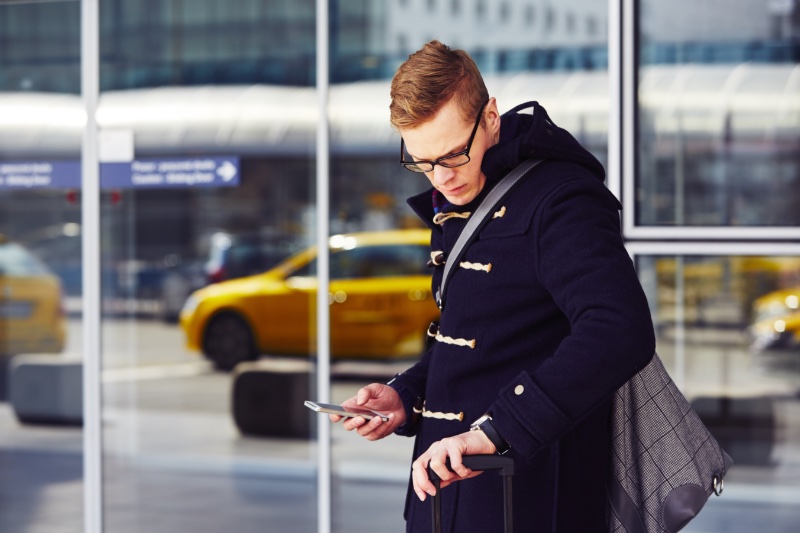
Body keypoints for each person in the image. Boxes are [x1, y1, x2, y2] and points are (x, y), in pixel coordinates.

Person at [331, 40, 656, 532]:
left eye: (454, 154)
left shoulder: (560, 198)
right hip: (443, 495)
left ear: (490, 117)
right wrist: (406, 397)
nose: (441, 178)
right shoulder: (460, 195)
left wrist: (495, 431)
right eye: (421, 162)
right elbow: (480, 341)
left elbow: (619, 330)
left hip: (528, 498)